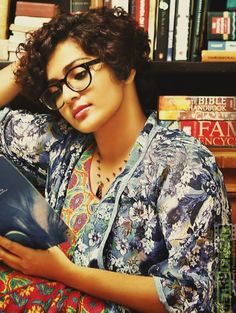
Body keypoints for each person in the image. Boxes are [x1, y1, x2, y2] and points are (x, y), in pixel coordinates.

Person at [0, 6, 231, 313]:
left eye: (79, 74)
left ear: (123, 65)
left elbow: (190, 296)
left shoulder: (184, 163)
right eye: (56, 89)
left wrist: (65, 273)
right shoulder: (61, 143)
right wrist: (34, 56)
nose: (67, 96)